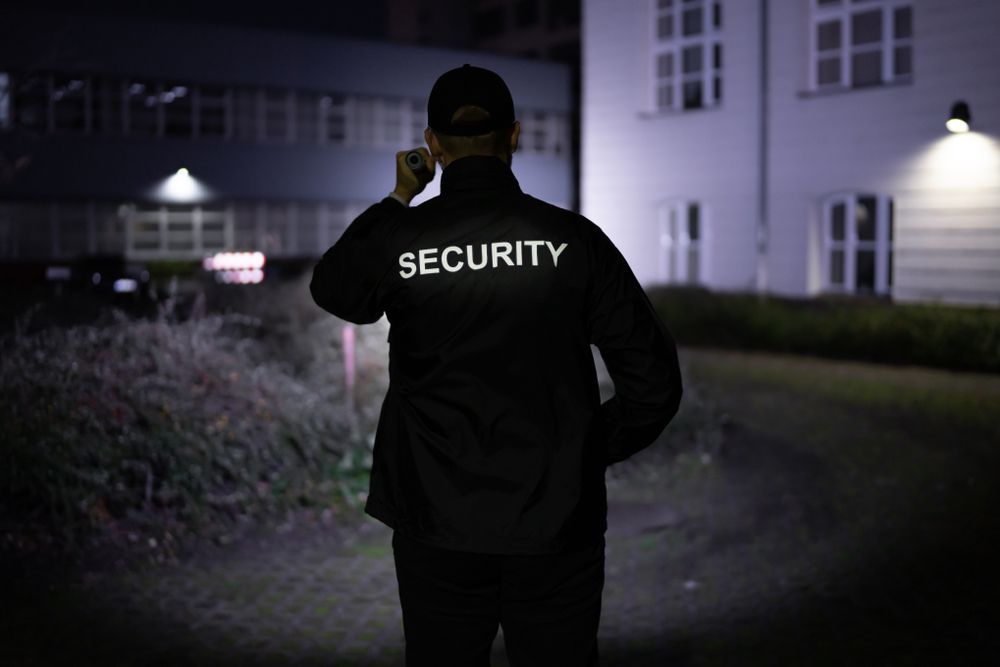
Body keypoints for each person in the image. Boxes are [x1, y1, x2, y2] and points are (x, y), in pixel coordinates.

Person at [310, 64, 682, 667]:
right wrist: (584, 449)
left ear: (431, 145)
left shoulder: (403, 238)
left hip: (438, 526)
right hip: (556, 525)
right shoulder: (574, 241)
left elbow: (335, 289)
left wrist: (401, 196)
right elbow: (655, 385)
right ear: (514, 136)